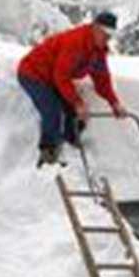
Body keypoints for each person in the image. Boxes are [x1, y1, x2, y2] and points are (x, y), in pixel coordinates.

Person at [17, 11, 128, 167]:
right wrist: (77, 102)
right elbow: (60, 76)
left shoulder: (98, 51)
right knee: (52, 110)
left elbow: (102, 79)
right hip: (33, 73)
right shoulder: (76, 42)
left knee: (74, 112)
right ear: (95, 28)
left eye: (111, 35)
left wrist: (114, 103)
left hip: (53, 77)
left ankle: (70, 143)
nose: (108, 38)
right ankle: (48, 152)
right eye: (105, 33)